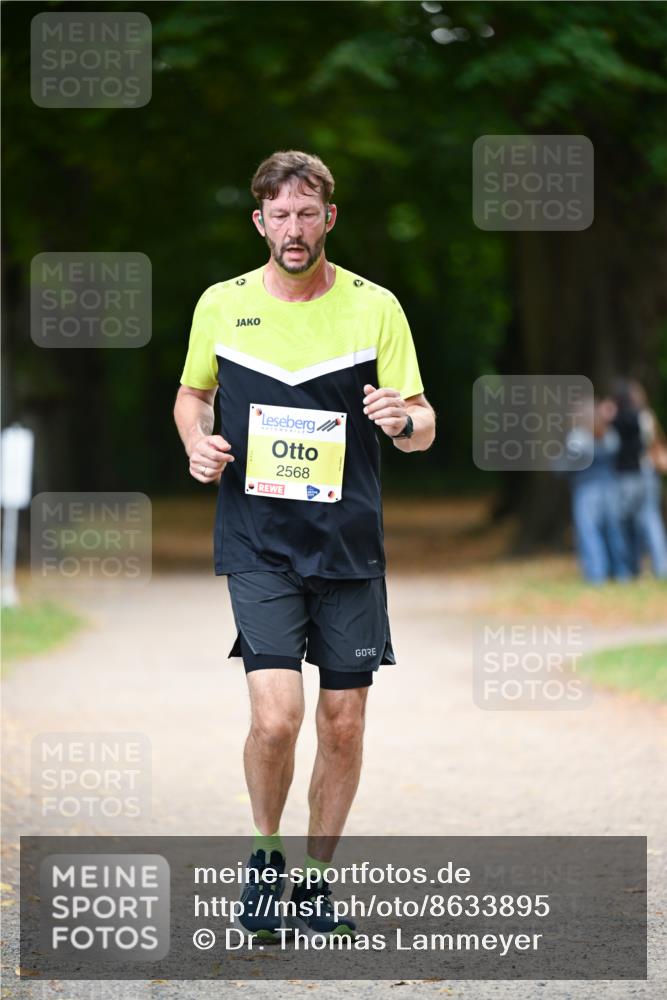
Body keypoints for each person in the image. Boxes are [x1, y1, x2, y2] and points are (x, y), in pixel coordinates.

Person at [174, 151, 436, 941]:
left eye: (306, 213)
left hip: (349, 542)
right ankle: (264, 861)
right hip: (256, 538)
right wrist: (197, 443)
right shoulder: (221, 304)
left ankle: (316, 883)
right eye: (278, 215)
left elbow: (423, 425)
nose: (293, 228)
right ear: (259, 222)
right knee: (277, 719)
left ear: (329, 218)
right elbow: (193, 396)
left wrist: (402, 421)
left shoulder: (375, 307)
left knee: (344, 724)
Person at [564, 397, 631, 584]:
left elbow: (570, 462)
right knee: (614, 531)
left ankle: (596, 574)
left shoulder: (577, 437)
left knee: (589, 532)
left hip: (586, 490)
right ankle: (621, 572)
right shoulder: (609, 435)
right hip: (610, 487)